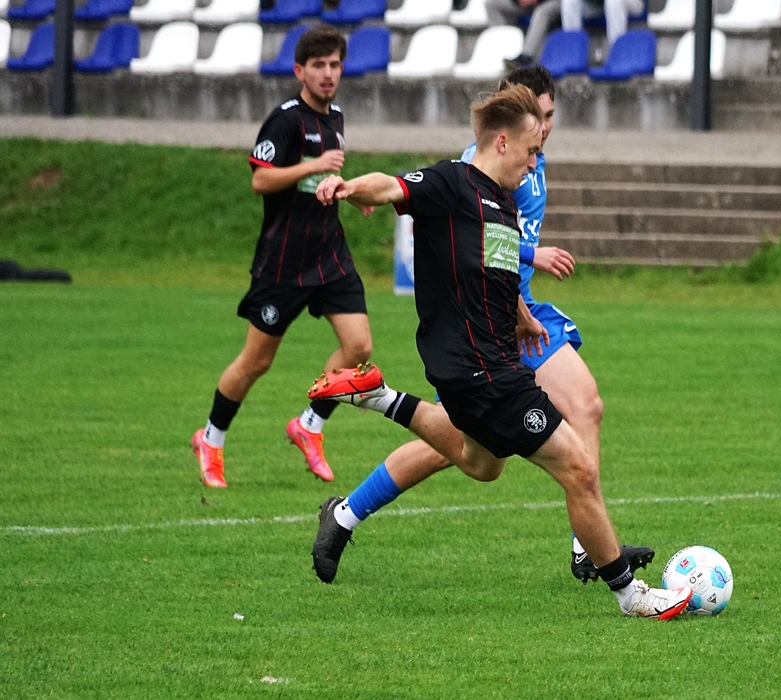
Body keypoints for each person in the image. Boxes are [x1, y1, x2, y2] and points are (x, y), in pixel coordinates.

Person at [308, 84, 693, 619]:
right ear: (504, 142)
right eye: (532, 150)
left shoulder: (506, 207)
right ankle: (632, 596)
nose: (535, 163)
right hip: (481, 371)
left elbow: (496, 272)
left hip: (489, 362)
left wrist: (524, 318)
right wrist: (349, 187)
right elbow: (392, 186)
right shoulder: (452, 183)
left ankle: (380, 397)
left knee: (482, 464)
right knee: (578, 468)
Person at [190, 25, 371, 489]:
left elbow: (321, 182)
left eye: (335, 65)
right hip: (284, 261)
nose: (328, 73)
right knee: (257, 361)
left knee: (359, 348)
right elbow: (260, 180)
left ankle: (309, 426)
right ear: (299, 71)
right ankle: (210, 439)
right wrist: (313, 165)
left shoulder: (337, 117)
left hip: (329, 254)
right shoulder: (285, 120)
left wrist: (350, 193)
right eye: (318, 66)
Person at [485, 0, 562, 68]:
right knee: (491, 4)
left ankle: (526, 56)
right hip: (526, 4)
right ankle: (502, 50)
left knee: (541, 12)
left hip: (558, 3)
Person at [560, 0, 643, 52]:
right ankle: (571, 53)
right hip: (598, 4)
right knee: (569, 1)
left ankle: (617, 53)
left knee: (613, 1)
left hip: (631, 3)